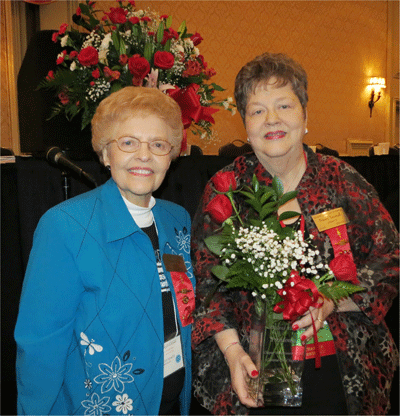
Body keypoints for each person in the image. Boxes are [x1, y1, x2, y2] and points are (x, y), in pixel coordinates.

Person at [191, 53, 399, 415]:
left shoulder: (342, 180)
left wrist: (332, 299)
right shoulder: (226, 189)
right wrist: (233, 353)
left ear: (305, 116)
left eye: (284, 105)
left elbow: (390, 258)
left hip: (342, 369)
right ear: (245, 125)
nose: (272, 119)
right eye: (257, 110)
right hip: (253, 371)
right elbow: (208, 288)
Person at [14, 86, 195, 415]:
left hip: (172, 404)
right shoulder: (65, 226)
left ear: (170, 156)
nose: (144, 155)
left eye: (158, 144)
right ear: (106, 154)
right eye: (128, 142)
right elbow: (40, 345)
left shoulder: (177, 220)